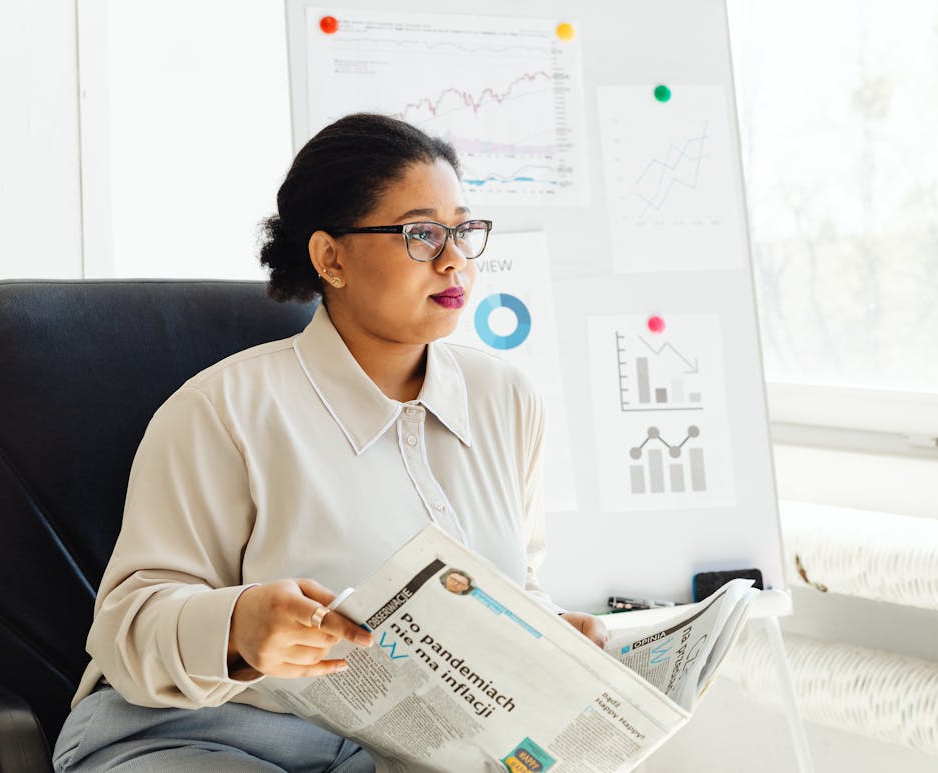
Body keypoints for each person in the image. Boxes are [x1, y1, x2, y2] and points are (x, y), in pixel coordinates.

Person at [53, 113, 606, 772]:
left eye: (462, 229)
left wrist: (551, 638)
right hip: (202, 735)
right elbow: (125, 628)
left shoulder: (507, 399)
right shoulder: (221, 411)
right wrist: (238, 625)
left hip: (407, 749)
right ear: (331, 257)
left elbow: (522, 585)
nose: (454, 256)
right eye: (422, 233)